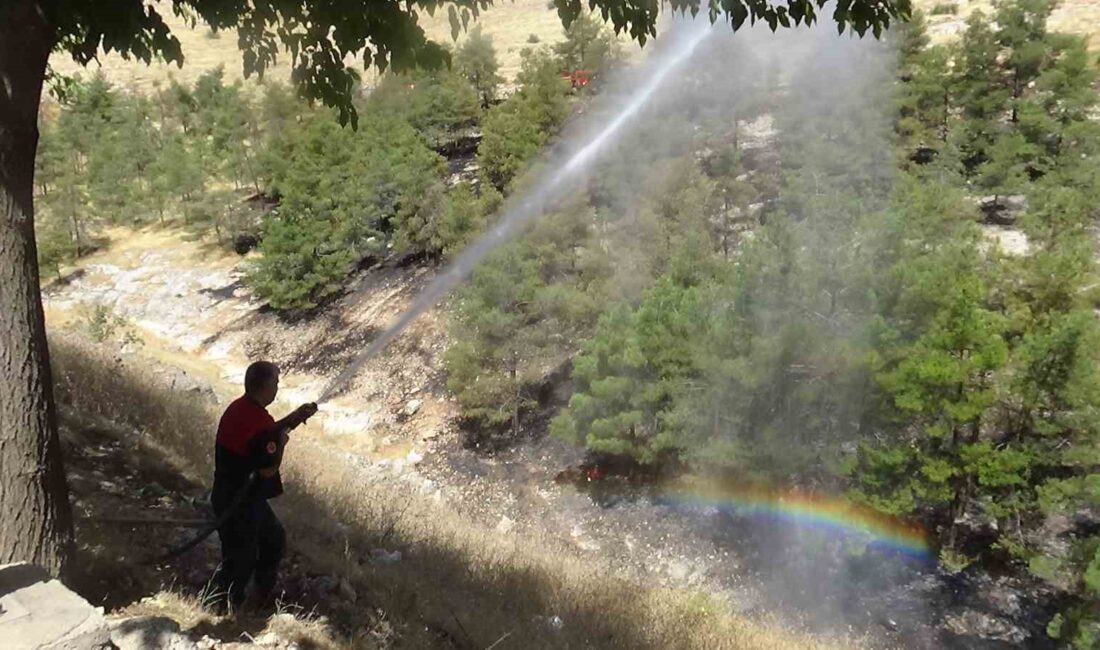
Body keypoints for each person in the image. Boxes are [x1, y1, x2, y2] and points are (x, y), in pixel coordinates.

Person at [212, 360, 317, 611]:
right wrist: (281, 444)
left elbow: (263, 435)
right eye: (277, 383)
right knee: (241, 558)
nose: (278, 388)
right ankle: (224, 608)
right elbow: (267, 468)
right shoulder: (258, 420)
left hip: (231, 496)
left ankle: (258, 595)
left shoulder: (240, 408)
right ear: (267, 385)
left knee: (272, 539)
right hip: (240, 502)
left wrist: (293, 418)